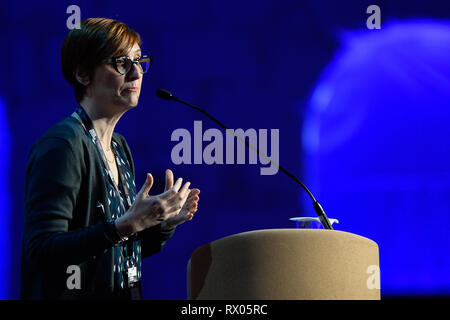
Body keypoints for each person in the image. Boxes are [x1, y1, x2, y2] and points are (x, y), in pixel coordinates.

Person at [20, 17, 200, 300]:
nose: (137, 73)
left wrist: (162, 223)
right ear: (82, 74)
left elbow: (119, 248)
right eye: (121, 63)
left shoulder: (118, 146)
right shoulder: (63, 145)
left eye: (139, 61)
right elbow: (42, 249)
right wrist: (127, 225)